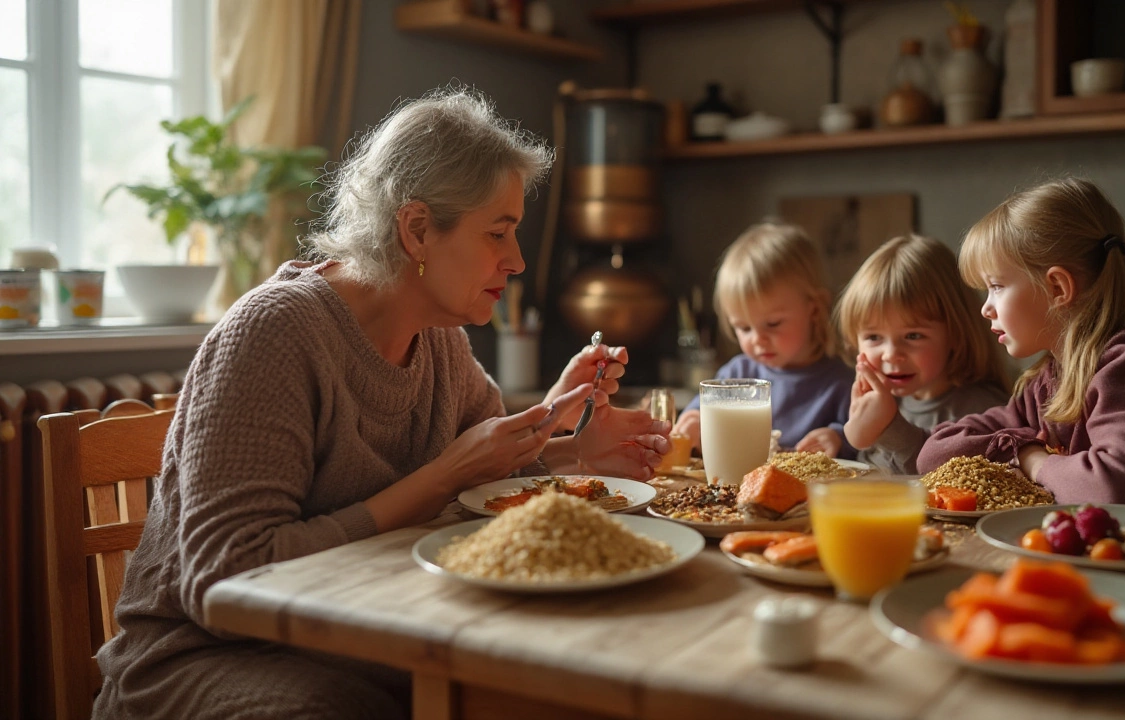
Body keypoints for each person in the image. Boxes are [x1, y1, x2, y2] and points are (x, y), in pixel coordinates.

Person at [93, 88, 671, 719]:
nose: (517, 260)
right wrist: (441, 477)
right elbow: (224, 580)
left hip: (367, 634)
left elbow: (488, 482)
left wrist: (568, 443)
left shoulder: (440, 338)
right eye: (497, 233)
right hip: (205, 660)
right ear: (417, 229)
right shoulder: (275, 332)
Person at [918, 178, 1125, 508]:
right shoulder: (1048, 380)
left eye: (996, 286)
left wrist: (1034, 460)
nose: (986, 307)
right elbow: (936, 453)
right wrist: (1020, 445)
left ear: (1057, 288)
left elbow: (1113, 491)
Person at [673, 221, 856, 458]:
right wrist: (693, 419)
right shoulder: (737, 375)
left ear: (813, 309)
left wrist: (839, 438)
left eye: (773, 324)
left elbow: (868, 444)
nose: (758, 339)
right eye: (743, 327)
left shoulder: (843, 382)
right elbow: (701, 410)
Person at [835, 234, 1009, 473]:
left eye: (913, 336)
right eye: (874, 337)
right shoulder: (889, 398)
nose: (891, 355)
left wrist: (888, 427)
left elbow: (942, 483)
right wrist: (837, 440)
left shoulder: (983, 411)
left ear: (956, 334)